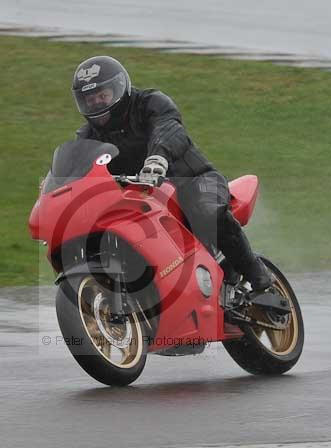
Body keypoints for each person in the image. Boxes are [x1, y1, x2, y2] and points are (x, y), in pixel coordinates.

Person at [71, 55, 276, 302]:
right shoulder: (88, 136)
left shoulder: (150, 103)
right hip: (140, 197)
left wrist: (158, 159)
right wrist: (62, 187)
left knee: (207, 212)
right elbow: (78, 164)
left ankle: (259, 279)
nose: (97, 104)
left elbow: (168, 129)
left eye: (101, 95)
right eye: (89, 99)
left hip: (192, 180)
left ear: (118, 88)